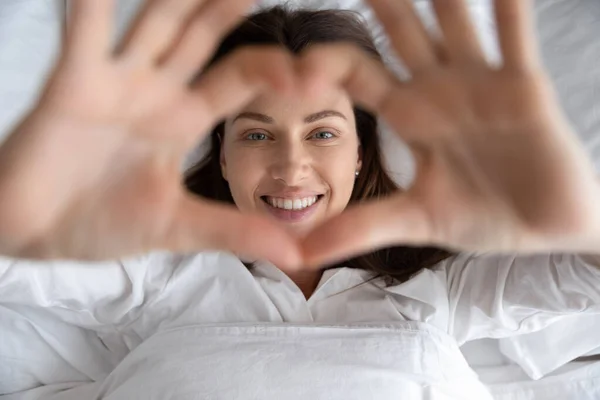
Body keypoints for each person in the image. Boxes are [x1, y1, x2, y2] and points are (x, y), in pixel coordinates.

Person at [0, 0, 599, 399]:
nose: (291, 166)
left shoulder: (434, 288)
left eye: (323, 133)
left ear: (361, 152)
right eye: (257, 133)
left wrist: (584, 221)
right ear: (224, 155)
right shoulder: (156, 276)